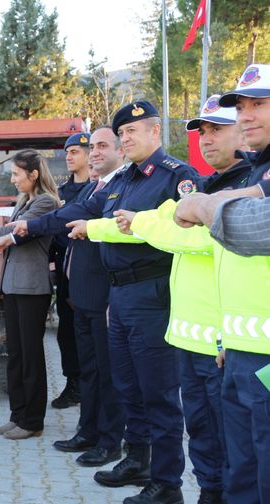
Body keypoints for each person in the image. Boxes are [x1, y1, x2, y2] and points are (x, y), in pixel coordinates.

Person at [10, 101, 199, 504]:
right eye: (123, 133)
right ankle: (137, 459)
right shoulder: (122, 180)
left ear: (155, 132)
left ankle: (167, 484)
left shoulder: (176, 177)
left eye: (133, 132)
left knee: (159, 394)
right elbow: (77, 211)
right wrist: (30, 226)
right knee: (128, 386)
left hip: (154, 293)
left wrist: (99, 227)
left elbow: (176, 231)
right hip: (120, 294)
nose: (127, 139)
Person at [89, 96, 250, 504]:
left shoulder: (187, 178)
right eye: (203, 132)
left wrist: (146, 223)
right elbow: (127, 224)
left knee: (202, 422)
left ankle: (166, 480)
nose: (207, 140)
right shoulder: (198, 183)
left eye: (219, 130)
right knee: (177, 414)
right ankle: (157, 471)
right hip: (169, 315)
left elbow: (191, 237)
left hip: (208, 326)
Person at [174, 64, 270, 503]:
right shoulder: (258, 174)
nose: (248, 115)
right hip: (242, 344)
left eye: (260, 104)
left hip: (263, 355)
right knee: (243, 471)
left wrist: (203, 207)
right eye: (244, 106)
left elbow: (257, 228)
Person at [0, 149, 60, 440]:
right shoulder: (26, 200)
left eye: (17, 174)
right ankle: (18, 415)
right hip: (15, 286)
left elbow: (13, 231)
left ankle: (33, 421)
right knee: (15, 353)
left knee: (30, 356)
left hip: (32, 288)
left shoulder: (45, 202)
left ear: (34, 174)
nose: (13, 179)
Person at [51, 127, 126, 467]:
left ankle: (111, 441)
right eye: (91, 146)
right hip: (81, 296)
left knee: (108, 374)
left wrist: (26, 228)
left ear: (120, 151)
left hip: (105, 296)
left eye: (101, 146)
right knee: (91, 371)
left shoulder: (123, 186)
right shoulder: (95, 188)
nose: (94, 152)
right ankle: (88, 432)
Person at [51, 132, 91, 410]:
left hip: (90, 271)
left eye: (75, 151)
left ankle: (91, 384)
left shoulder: (99, 188)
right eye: (67, 152)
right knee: (66, 330)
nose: (69, 156)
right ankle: (73, 382)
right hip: (65, 270)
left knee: (89, 333)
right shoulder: (61, 194)